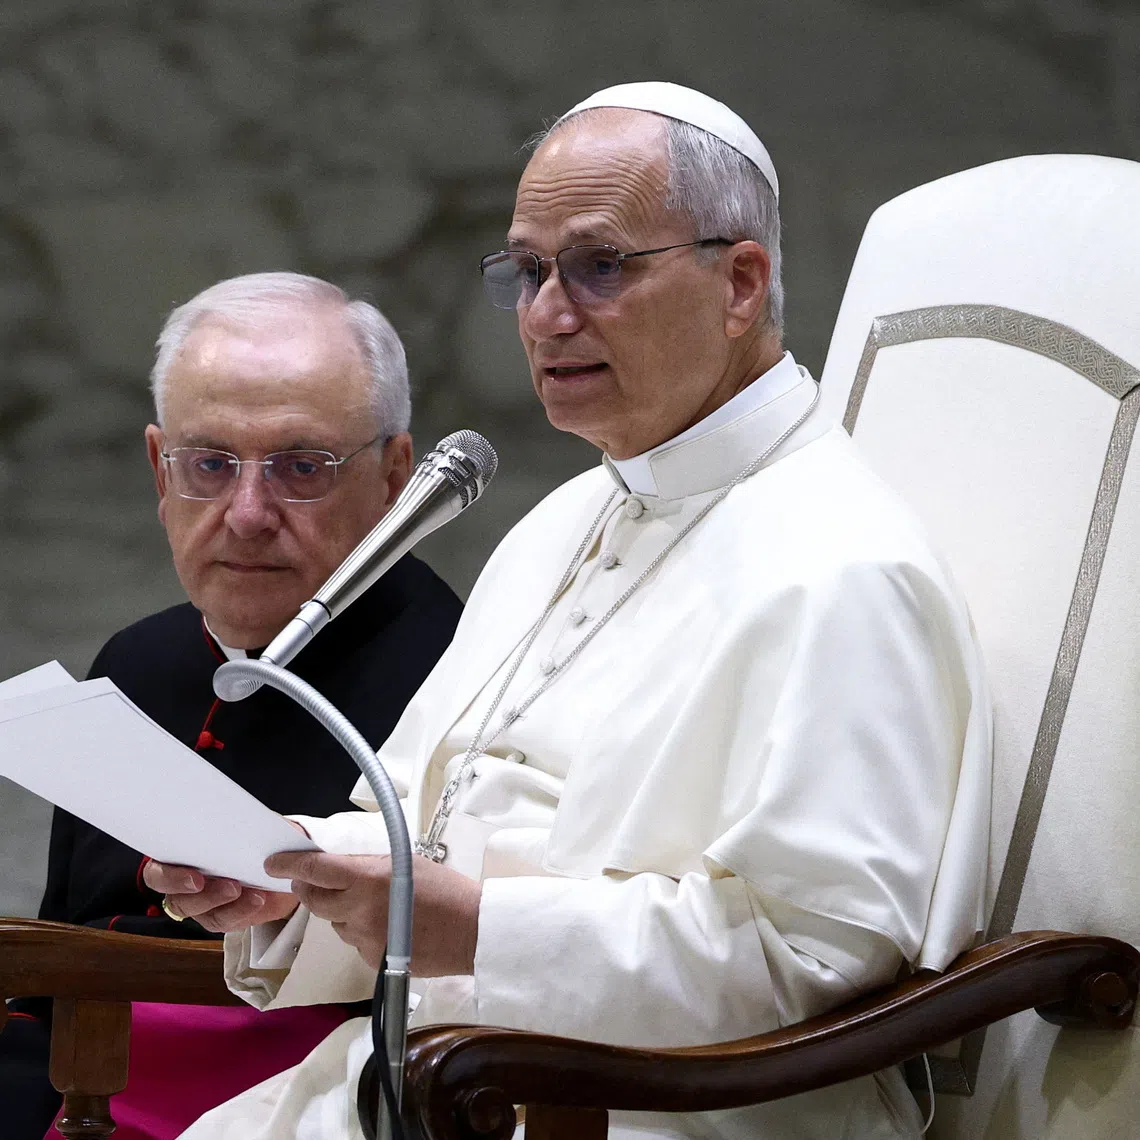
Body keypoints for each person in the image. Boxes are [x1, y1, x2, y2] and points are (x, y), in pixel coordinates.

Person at [155, 84, 992, 1140]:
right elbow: (425, 820)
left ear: (741, 282)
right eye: (527, 270)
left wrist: (483, 930)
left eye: (600, 266)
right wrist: (293, 873)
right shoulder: (569, 514)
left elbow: (816, 961)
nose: (548, 315)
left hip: (654, 1113)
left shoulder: (843, 568)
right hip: (439, 1081)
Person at [0, 272, 462, 1140]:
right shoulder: (141, 661)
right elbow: (54, 976)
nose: (248, 514)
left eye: (302, 468)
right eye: (210, 465)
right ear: (157, 470)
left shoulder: (461, 676)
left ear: (397, 475)